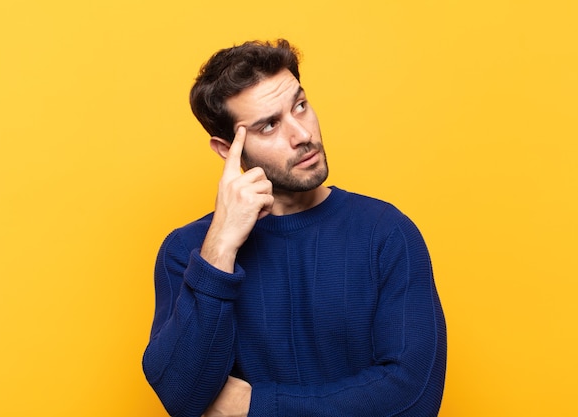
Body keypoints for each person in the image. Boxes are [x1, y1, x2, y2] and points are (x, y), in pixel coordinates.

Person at [142, 39, 447, 417]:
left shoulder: (386, 233)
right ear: (226, 150)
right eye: (269, 126)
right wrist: (220, 248)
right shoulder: (188, 251)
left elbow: (414, 399)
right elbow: (181, 397)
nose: (302, 135)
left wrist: (252, 405)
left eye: (300, 106)